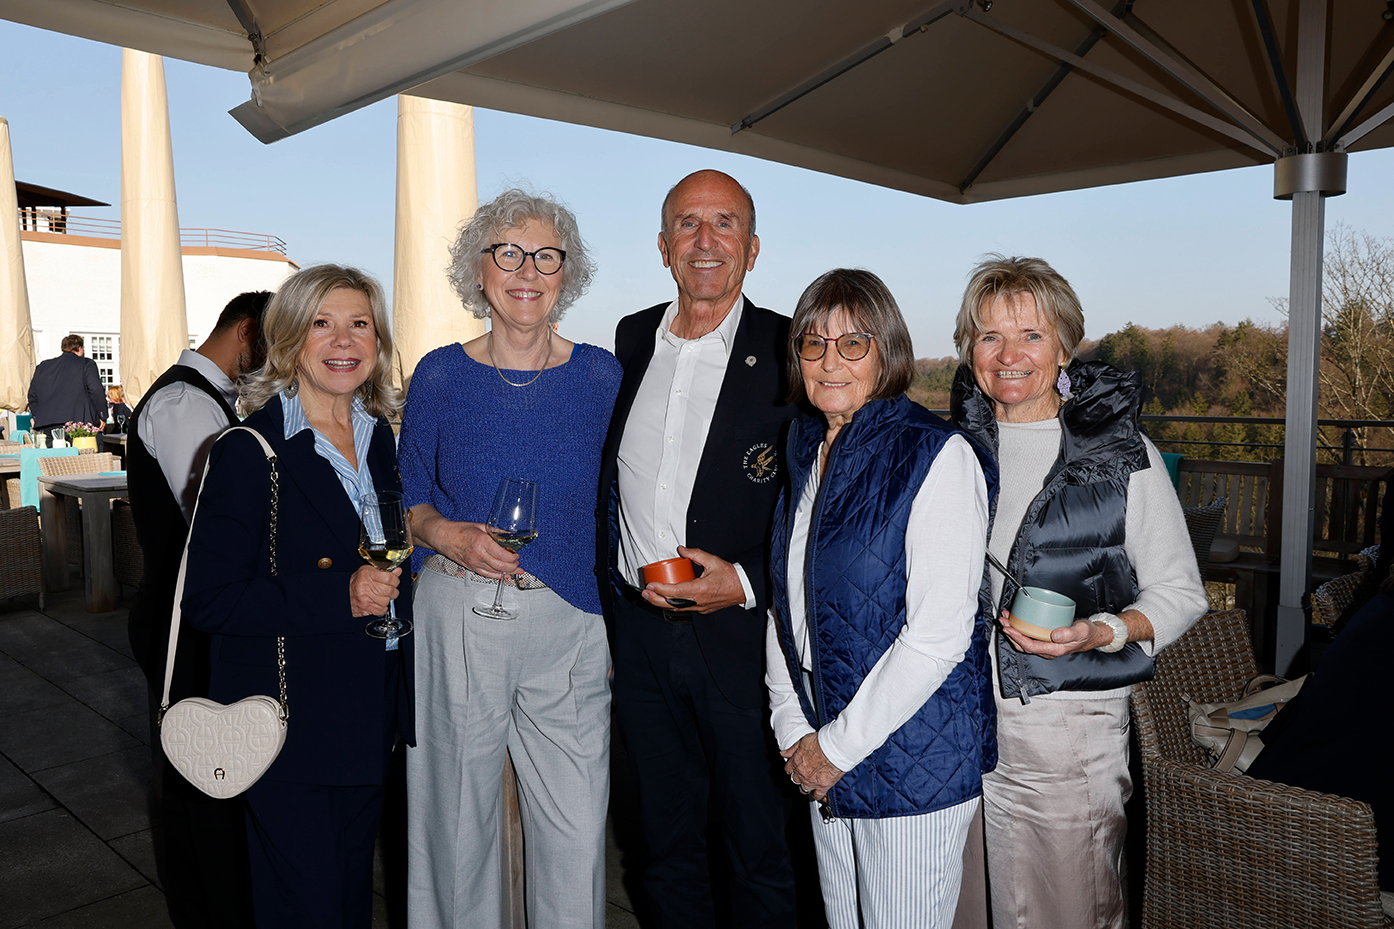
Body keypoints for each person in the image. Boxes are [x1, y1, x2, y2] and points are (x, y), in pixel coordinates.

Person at [948, 255, 1207, 929]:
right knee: (965, 905)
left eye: (1030, 335)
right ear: (968, 348)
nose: (1008, 355)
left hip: (1066, 731)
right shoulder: (954, 449)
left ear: (1064, 345)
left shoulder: (1121, 452)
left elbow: (1182, 591)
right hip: (959, 721)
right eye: (988, 336)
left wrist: (1101, 630)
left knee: (1064, 911)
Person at [399, 189, 621, 929]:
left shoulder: (602, 377)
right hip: (459, 609)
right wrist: (450, 535)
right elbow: (405, 500)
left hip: (573, 622)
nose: (528, 269)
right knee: (455, 823)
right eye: (508, 252)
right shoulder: (437, 375)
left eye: (546, 255)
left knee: (577, 825)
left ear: (568, 272)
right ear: (479, 269)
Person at [597, 169, 803, 928]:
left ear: (752, 249)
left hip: (743, 639)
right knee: (661, 846)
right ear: (662, 246)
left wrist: (746, 583)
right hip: (641, 640)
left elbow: (819, 505)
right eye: (688, 223)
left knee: (758, 851)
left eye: (724, 224)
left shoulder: (792, 348)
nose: (705, 240)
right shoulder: (627, 339)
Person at [181, 265, 413, 929]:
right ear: (288, 341)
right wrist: (338, 595)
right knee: (304, 909)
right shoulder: (251, 451)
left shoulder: (380, 441)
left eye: (359, 323)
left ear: (378, 340)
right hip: (290, 727)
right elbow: (210, 601)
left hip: (370, 718)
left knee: (346, 904)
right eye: (322, 322)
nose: (343, 339)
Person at [766, 269, 996, 928]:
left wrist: (833, 747)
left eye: (853, 343)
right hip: (820, 743)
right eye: (813, 344)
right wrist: (792, 727)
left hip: (909, 757)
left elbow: (938, 637)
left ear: (887, 350)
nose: (830, 360)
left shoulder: (937, 454)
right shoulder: (806, 449)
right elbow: (787, 597)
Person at [127, 290, 271, 929]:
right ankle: (211, 909)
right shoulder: (186, 401)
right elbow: (217, 523)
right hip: (179, 618)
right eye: (270, 352)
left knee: (206, 771)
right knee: (197, 776)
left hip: (189, 612)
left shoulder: (202, 399)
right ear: (245, 334)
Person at [27, 333, 106, 434]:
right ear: (80, 349)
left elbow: (32, 396)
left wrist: (39, 416)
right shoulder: (86, 364)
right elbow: (96, 390)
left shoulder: (43, 367)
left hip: (47, 424)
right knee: (88, 449)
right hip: (79, 425)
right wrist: (102, 415)